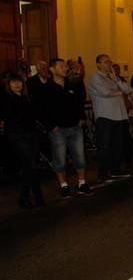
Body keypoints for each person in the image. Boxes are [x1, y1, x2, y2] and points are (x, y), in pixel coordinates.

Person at [40, 58, 92, 197]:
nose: (65, 68)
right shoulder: (46, 88)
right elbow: (41, 109)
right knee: (60, 159)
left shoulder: (71, 84)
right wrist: (51, 126)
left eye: (65, 66)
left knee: (80, 157)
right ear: (52, 69)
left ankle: (82, 182)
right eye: (61, 66)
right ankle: (63, 185)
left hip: (75, 127)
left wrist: (81, 118)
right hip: (58, 130)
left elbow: (79, 102)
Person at [1, 73, 45, 208]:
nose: (17, 85)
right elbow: (9, 118)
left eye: (19, 82)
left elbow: (35, 115)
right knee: (32, 165)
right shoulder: (6, 99)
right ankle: (37, 195)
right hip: (17, 136)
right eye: (13, 82)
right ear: (8, 85)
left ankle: (24, 197)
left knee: (29, 166)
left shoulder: (27, 98)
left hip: (32, 135)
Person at [88, 54, 131, 182]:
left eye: (109, 62)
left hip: (119, 116)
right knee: (105, 146)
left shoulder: (113, 77)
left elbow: (128, 90)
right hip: (105, 116)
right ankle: (103, 174)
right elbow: (105, 92)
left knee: (117, 145)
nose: (109, 64)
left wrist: (116, 79)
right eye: (105, 62)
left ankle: (115, 170)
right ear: (98, 64)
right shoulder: (95, 77)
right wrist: (119, 92)